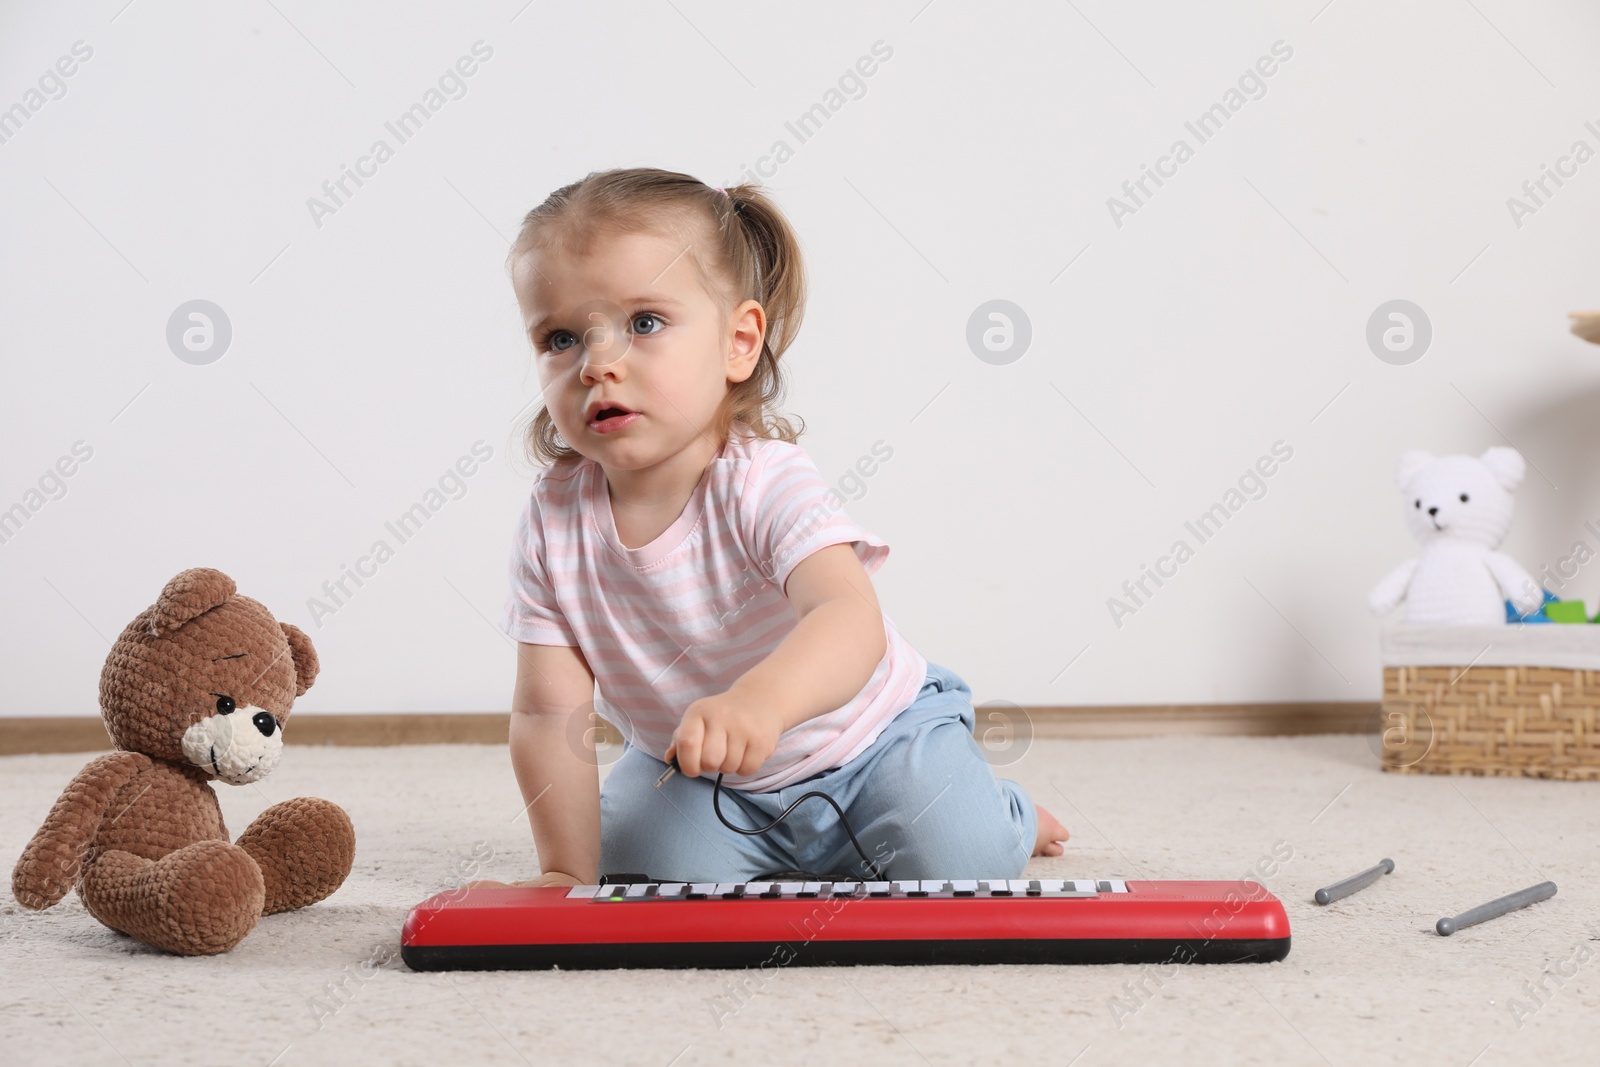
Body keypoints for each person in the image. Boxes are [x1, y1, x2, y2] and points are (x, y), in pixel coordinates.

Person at [493, 167, 1068, 888]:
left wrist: (760, 701)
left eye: (644, 323)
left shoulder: (764, 480)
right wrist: (565, 871)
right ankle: (783, 848)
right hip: (710, 773)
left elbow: (846, 617)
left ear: (739, 341)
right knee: (638, 872)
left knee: (960, 859)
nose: (597, 364)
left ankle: (1005, 811)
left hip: (874, 742)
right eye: (561, 338)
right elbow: (548, 714)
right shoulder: (554, 523)